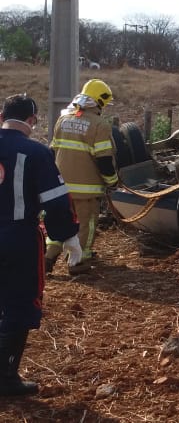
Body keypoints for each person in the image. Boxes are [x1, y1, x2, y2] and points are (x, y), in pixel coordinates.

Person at [1, 94, 79, 396]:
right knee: (19, 304)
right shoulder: (34, 152)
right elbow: (57, 202)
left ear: (1, 115)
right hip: (18, 238)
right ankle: (5, 378)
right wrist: (69, 237)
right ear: (32, 121)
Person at [45, 79, 119, 275]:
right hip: (86, 190)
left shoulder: (63, 120)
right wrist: (112, 181)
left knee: (59, 223)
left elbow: (53, 152)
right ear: (100, 101)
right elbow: (103, 160)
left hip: (60, 188)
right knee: (86, 224)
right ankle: (78, 263)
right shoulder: (99, 125)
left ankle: (47, 258)